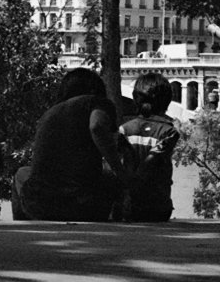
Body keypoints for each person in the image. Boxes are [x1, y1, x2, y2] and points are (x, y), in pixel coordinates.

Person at [13, 68, 131, 222]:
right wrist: (120, 171)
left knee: (22, 172)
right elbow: (97, 126)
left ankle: (22, 224)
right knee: (111, 179)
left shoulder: (48, 114)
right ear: (95, 89)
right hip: (82, 206)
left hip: (38, 206)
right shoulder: (97, 102)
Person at [116, 72, 179, 222]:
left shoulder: (124, 130)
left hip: (128, 207)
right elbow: (152, 163)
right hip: (158, 207)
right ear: (167, 102)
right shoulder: (169, 132)